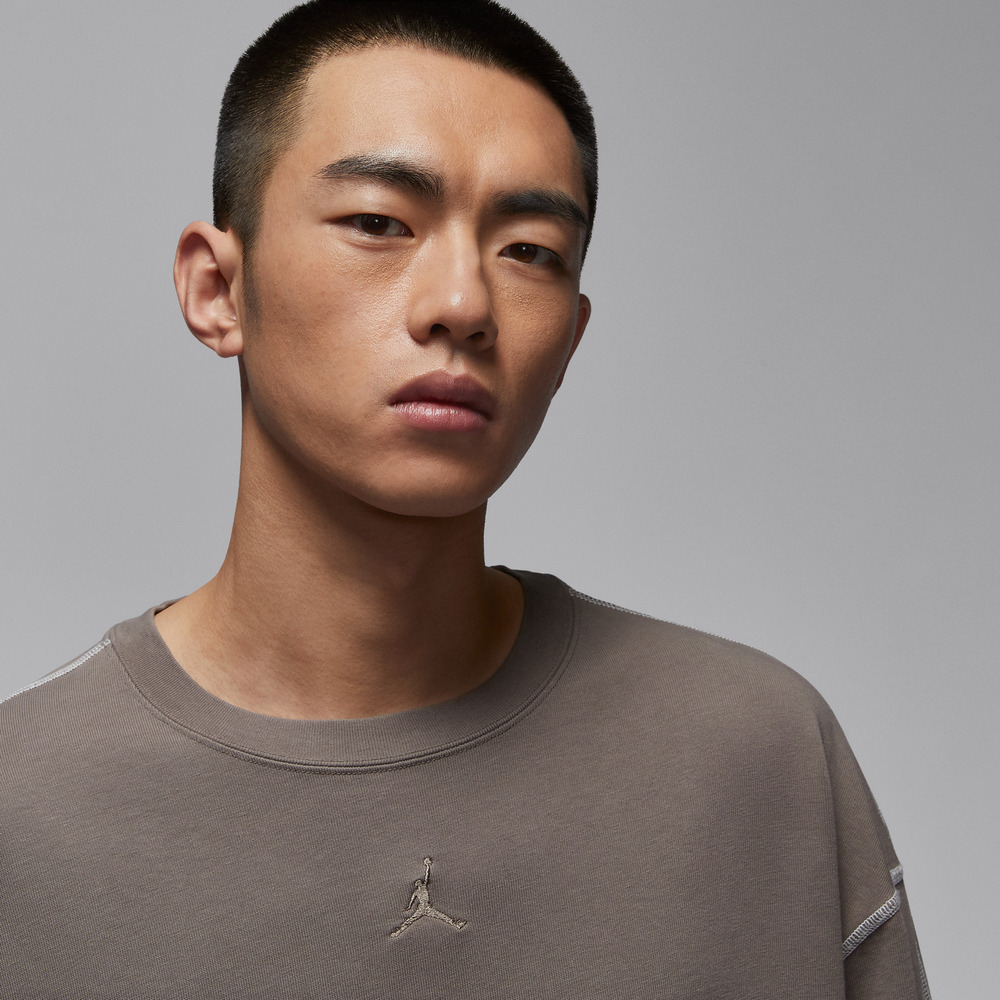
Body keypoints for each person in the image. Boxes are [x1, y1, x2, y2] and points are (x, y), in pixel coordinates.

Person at [0, 1, 929, 996]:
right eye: (378, 223)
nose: (463, 304)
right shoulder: (25, 808)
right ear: (217, 290)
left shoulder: (759, 756)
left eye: (529, 249)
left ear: (570, 342)